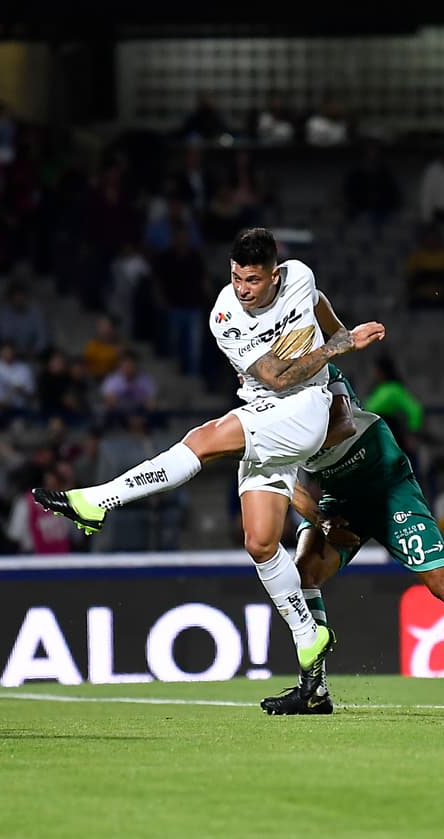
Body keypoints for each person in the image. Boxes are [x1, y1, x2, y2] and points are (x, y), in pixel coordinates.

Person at [33, 227, 385, 679]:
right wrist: (339, 343)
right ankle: (306, 633)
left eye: (252, 280)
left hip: (307, 409)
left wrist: (341, 335)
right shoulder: (225, 315)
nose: (242, 289)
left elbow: (315, 302)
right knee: (259, 541)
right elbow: (275, 377)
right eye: (236, 277)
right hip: (269, 406)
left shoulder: (299, 275)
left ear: (275, 275)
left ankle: (99, 501)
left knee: (203, 439)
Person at [262, 365, 444, 714]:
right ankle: (314, 691)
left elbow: (345, 424)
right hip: (339, 497)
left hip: (387, 485)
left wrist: (288, 442)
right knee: (302, 574)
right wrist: (322, 521)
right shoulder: (261, 410)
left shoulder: (320, 371)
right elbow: (284, 484)